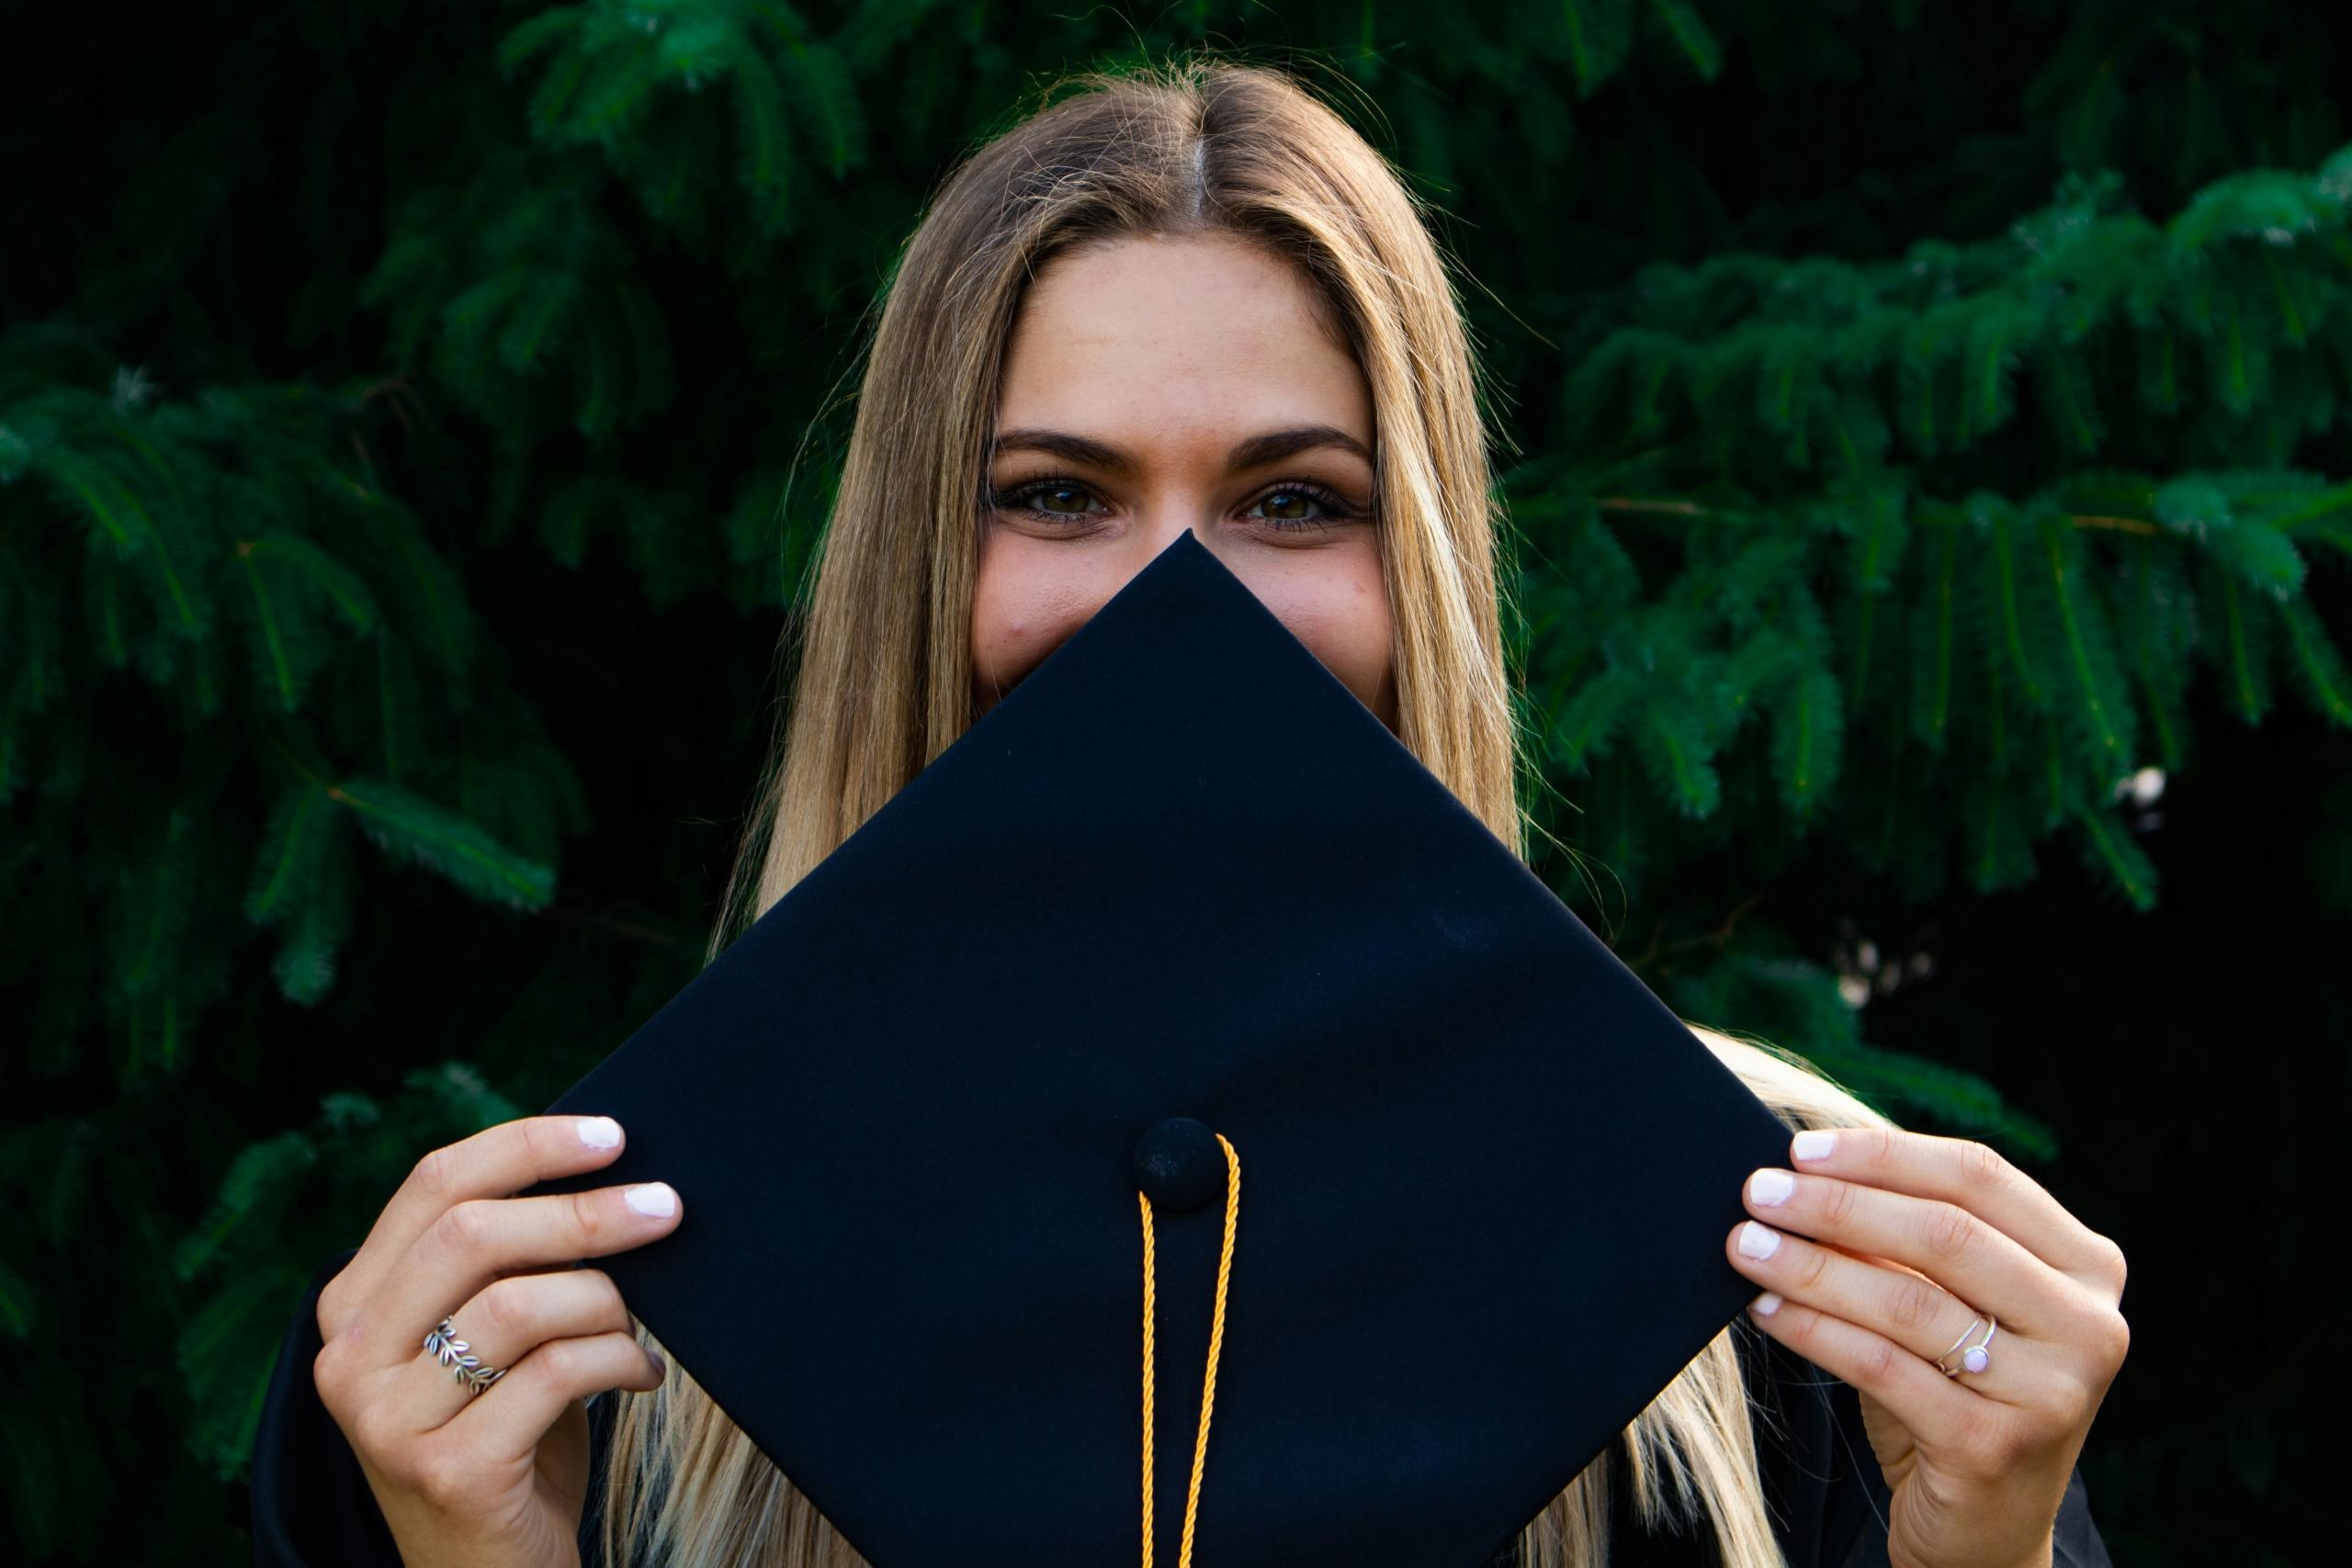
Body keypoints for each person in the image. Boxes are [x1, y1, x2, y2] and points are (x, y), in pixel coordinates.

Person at [251, 54, 2127, 1568]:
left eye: (1291, 499)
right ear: (921, 561)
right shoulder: (562, 1316)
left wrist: (1978, 1551)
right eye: (1056, 494)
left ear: (1422, 580)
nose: (1176, 605)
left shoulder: (1767, 1283)